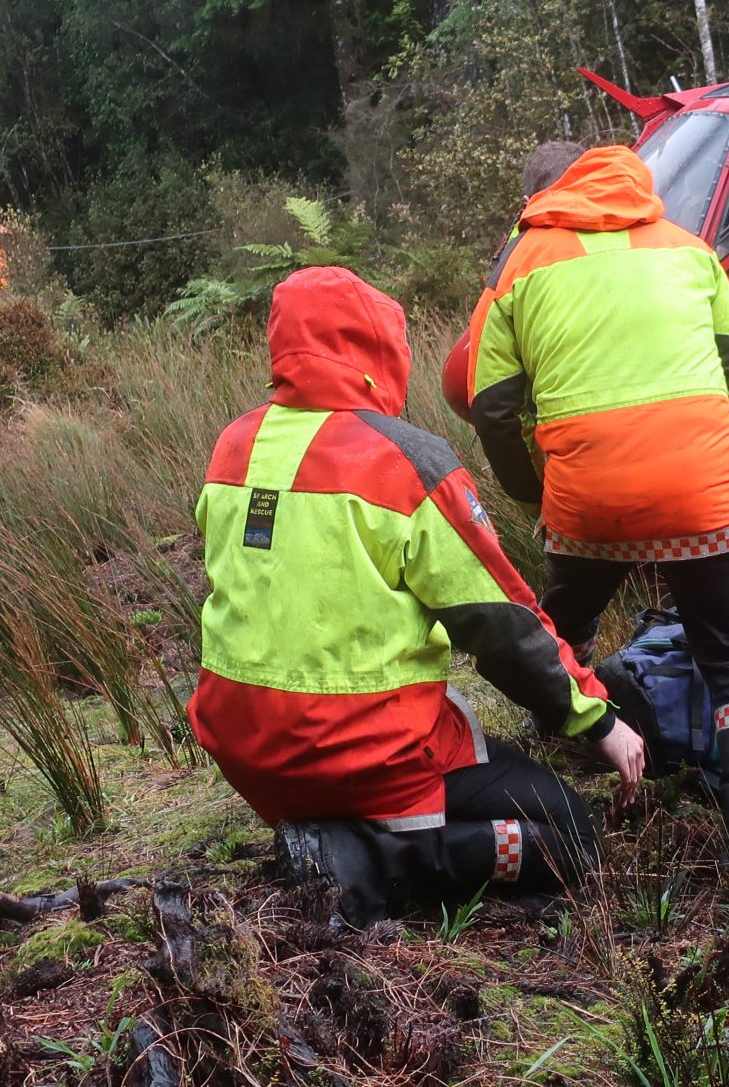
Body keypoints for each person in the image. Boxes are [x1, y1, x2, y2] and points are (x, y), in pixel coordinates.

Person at [190, 266, 646, 927]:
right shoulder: (403, 458)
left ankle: (331, 835)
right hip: (367, 755)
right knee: (570, 835)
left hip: (249, 755)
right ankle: (381, 859)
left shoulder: (232, 446)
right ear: (380, 350)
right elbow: (502, 624)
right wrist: (599, 721)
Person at [462, 141, 729, 882]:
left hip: (589, 496)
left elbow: (491, 403)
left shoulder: (518, 264)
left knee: (557, 624)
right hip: (711, 493)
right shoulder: (688, 248)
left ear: (537, 200)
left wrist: (536, 489)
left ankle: (564, 731)